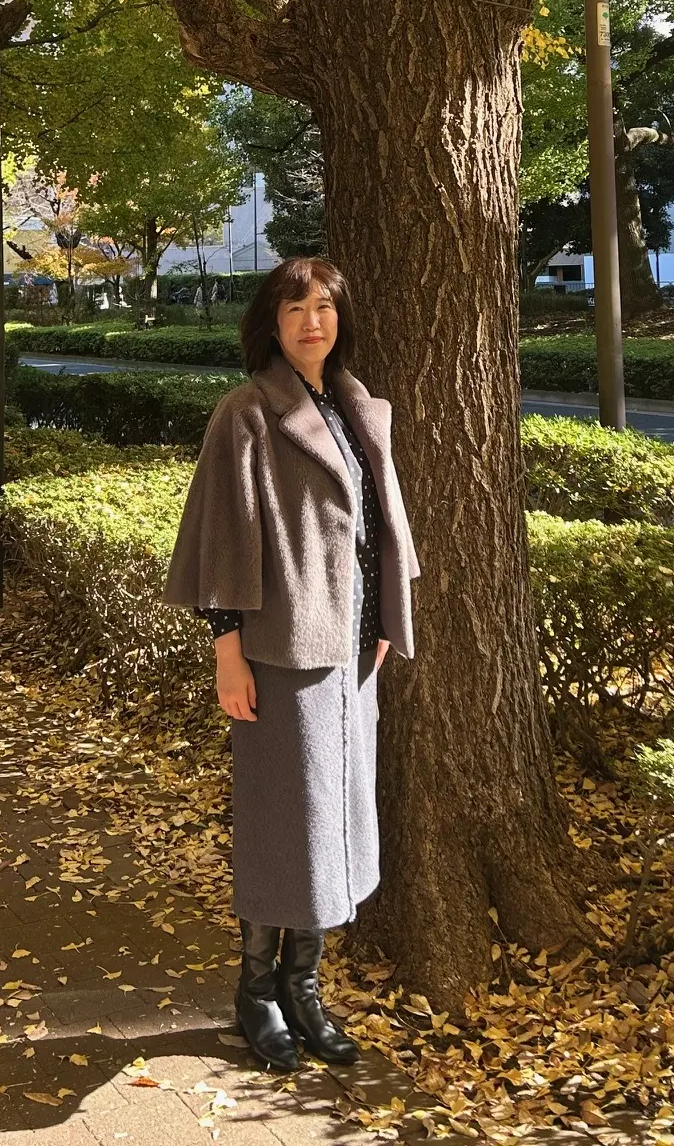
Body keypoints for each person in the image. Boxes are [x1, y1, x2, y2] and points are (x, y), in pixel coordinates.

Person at [165, 256, 420, 1073]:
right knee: (285, 822)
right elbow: (220, 541)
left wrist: (386, 620)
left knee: (336, 819)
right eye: (295, 308)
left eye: (325, 306)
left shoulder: (356, 407)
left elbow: (378, 529)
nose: (313, 321)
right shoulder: (247, 413)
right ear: (270, 323)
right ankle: (255, 990)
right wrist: (227, 652)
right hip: (280, 652)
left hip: (351, 654)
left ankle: (304, 986)